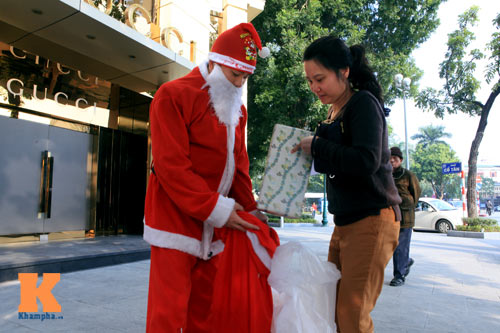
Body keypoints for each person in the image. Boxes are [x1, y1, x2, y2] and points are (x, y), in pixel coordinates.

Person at [143, 23, 272, 332]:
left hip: (213, 226)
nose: (239, 84)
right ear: (215, 62)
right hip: (175, 220)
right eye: (235, 74)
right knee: (168, 313)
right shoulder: (171, 95)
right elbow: (171, 167)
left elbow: (238, 166)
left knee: (203, 310)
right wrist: (220, 210)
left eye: (245, 77)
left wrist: (252, 211)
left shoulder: (235, 111)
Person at [291, 36, 402, 332]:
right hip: (346, 222)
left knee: (352, 315)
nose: (315, 87)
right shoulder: (332, 112)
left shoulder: (363, 104)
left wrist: (317, 146)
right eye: (310, 81)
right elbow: (333, 162)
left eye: (320, 78)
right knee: (336, 311)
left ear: (345, 72)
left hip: (372, 219)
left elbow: (366, 160)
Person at [389, 146, 421, 287]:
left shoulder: (408, 175)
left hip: (405, 216)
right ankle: (406, 262)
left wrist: (408, 206)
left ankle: (399, 275)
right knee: (391, 245)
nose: (391, 161)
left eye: (395, 159)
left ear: (400, 160)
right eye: (389, 158)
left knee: (401, 246)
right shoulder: (384, 174)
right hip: (389, 215)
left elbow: (416, 193)